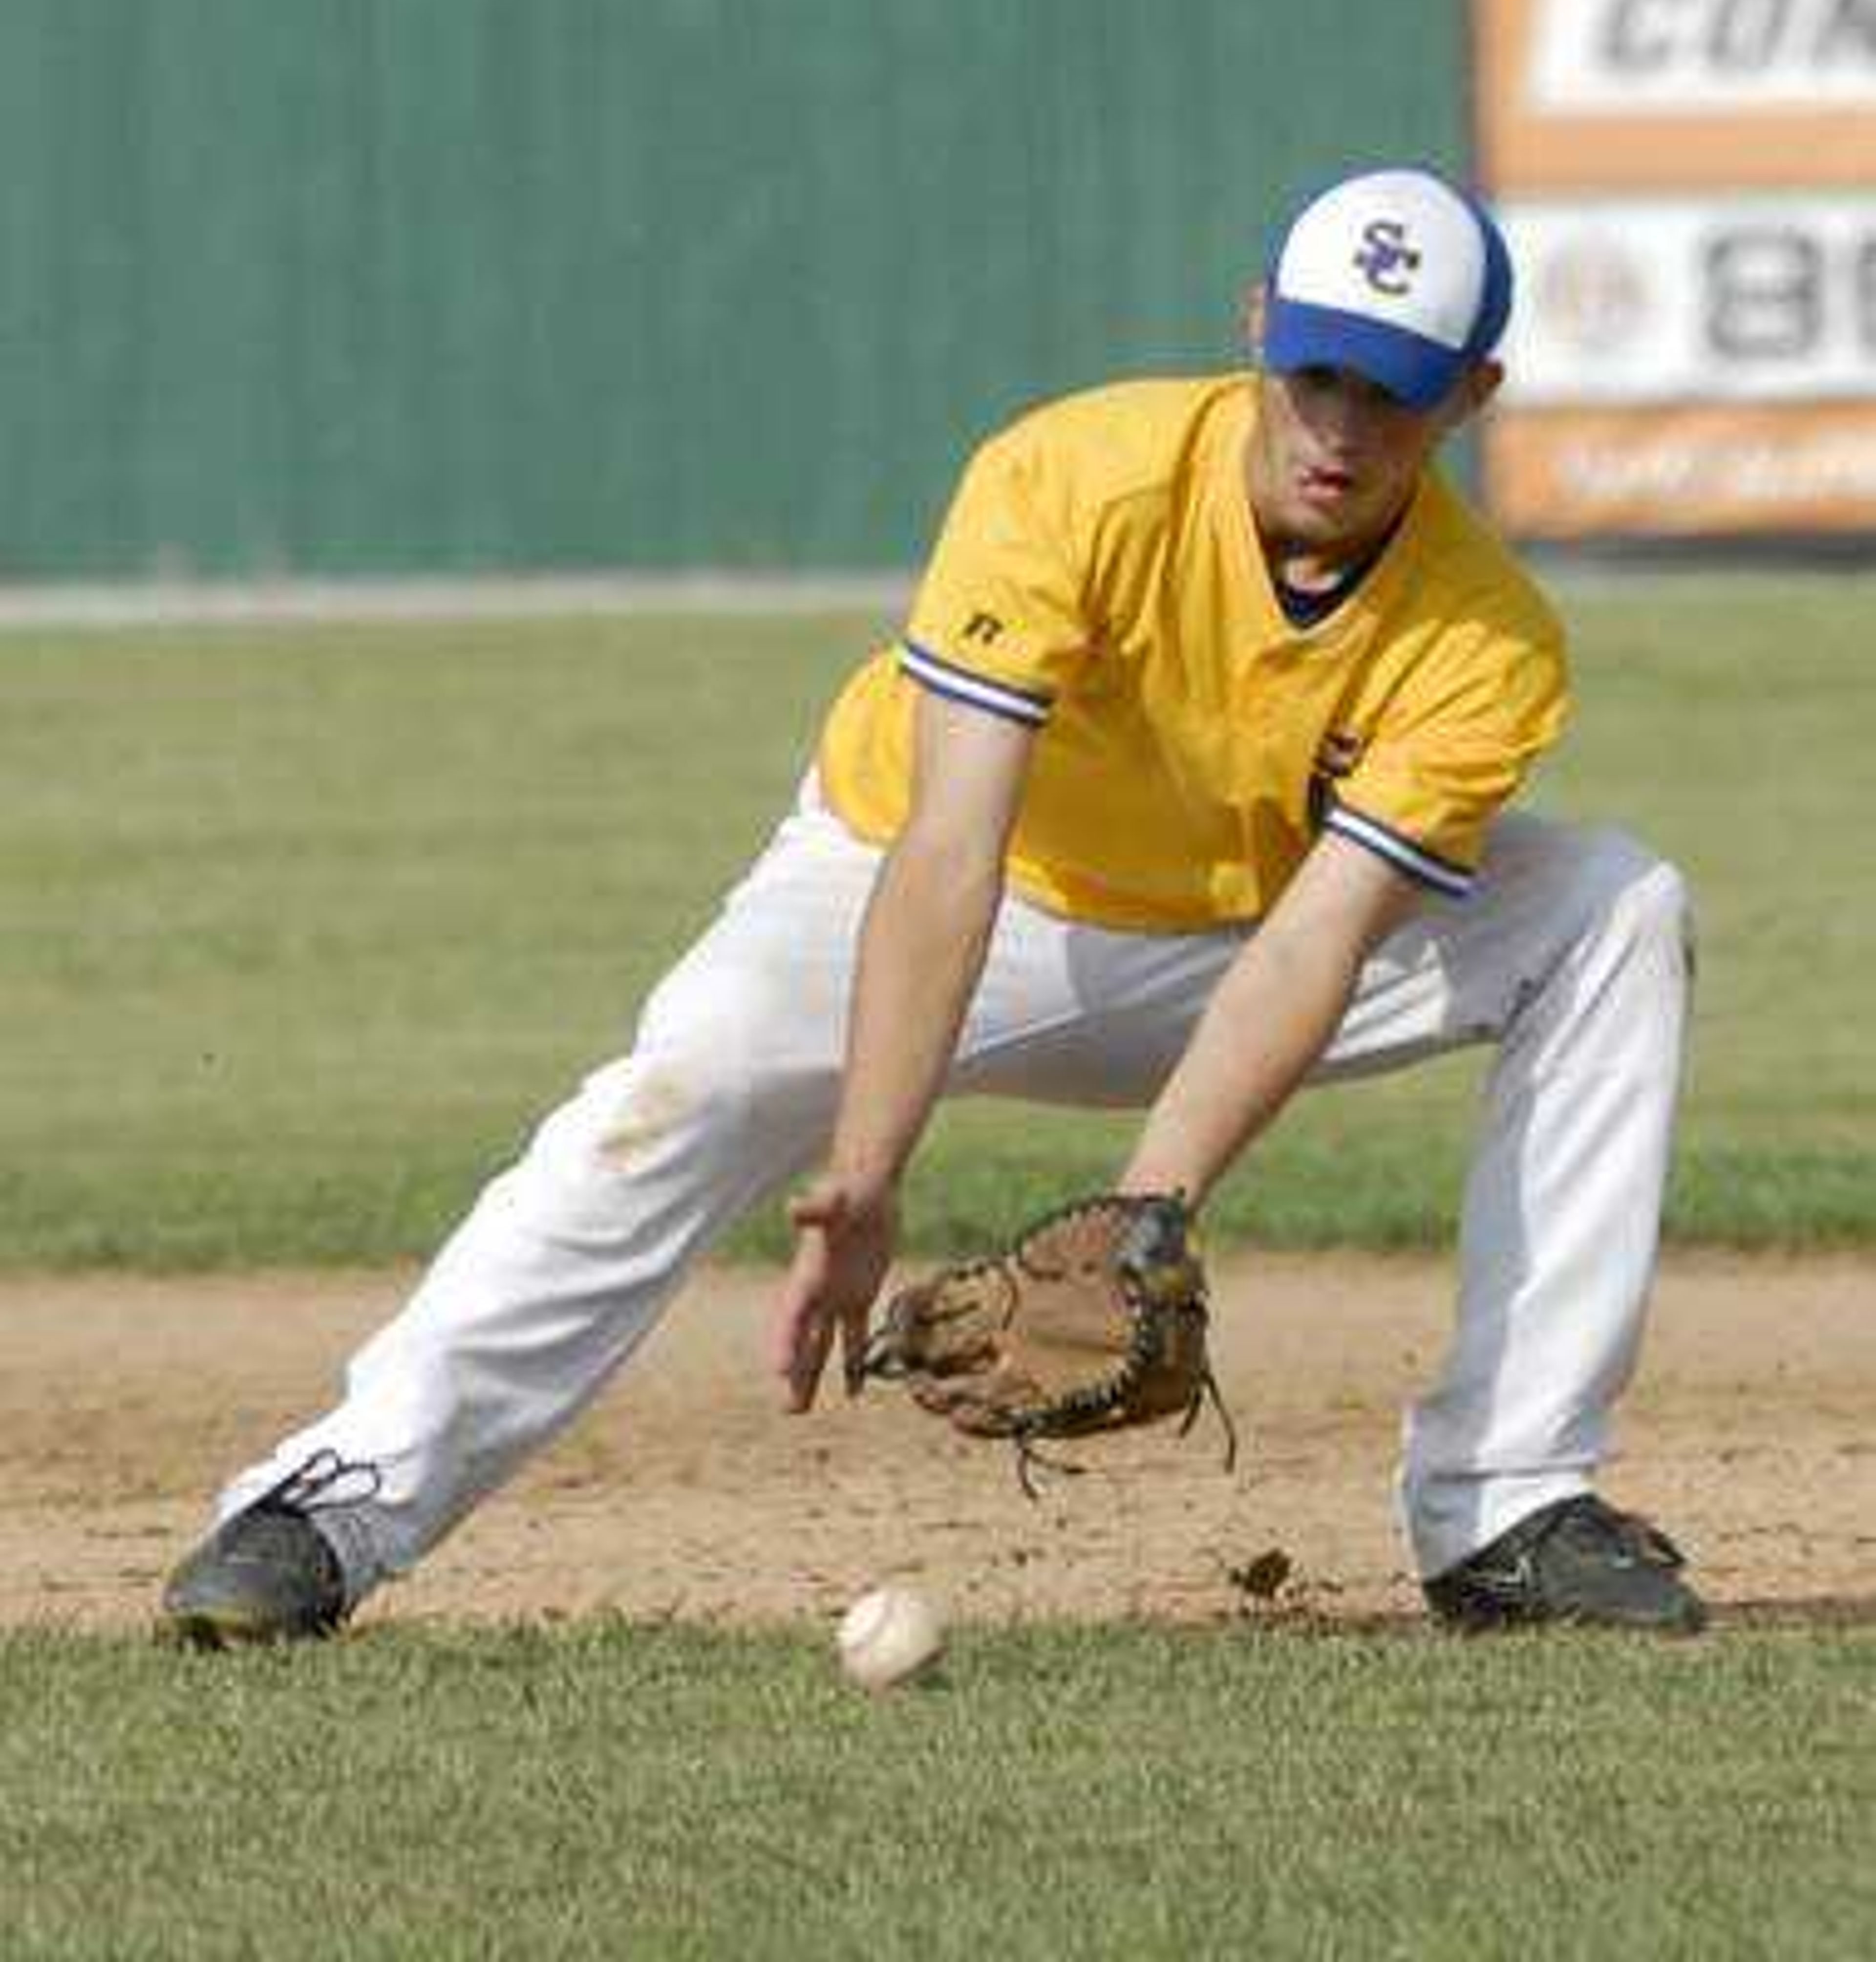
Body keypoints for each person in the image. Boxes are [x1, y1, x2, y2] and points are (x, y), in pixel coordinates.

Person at [161, 165, 1705, 1645]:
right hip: (937, 883)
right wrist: (868, 1164)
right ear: (1257, 330)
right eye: (1321, 375)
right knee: (689, 1072)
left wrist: (1143, 1218)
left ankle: (1508, 1501)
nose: (1344, 429)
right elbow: (950, 846)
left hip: (1249, 940)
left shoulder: (1487, 637)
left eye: (1397, 391)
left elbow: (1318, 937)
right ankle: (333, 1502)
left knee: (1612, 908)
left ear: (1473, 399)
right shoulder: (1074, 478)